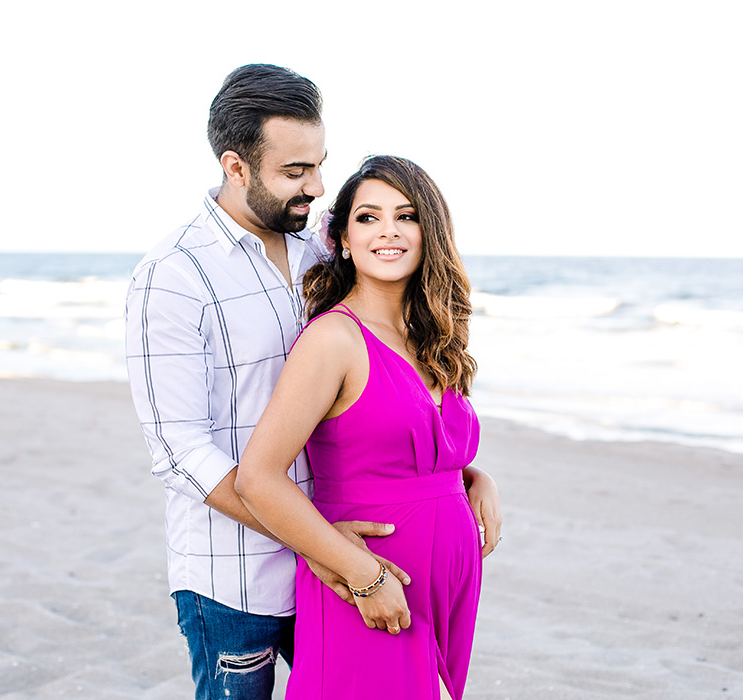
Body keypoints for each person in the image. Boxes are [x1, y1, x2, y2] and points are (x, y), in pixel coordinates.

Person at [125, 65, 501, 700]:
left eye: (320, 166)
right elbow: (180, 452)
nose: (317, 187)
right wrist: (327, 547)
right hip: (239, 573)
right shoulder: (174, 276)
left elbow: (377, 406)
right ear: (236, 166)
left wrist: (464, 474)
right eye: (295, 172)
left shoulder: (317, 254)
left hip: (346, 558)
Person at [235, 155, 500, 700]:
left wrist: (473, 479)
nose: (389, 231)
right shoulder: (334, 338)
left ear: (430, 233)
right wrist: (363, 574)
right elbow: (258, 478)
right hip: (371, 584)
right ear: (343, 241)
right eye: (368, 217)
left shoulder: (434, 337)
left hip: (444, 586)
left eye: (406, 216)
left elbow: (401, 446)